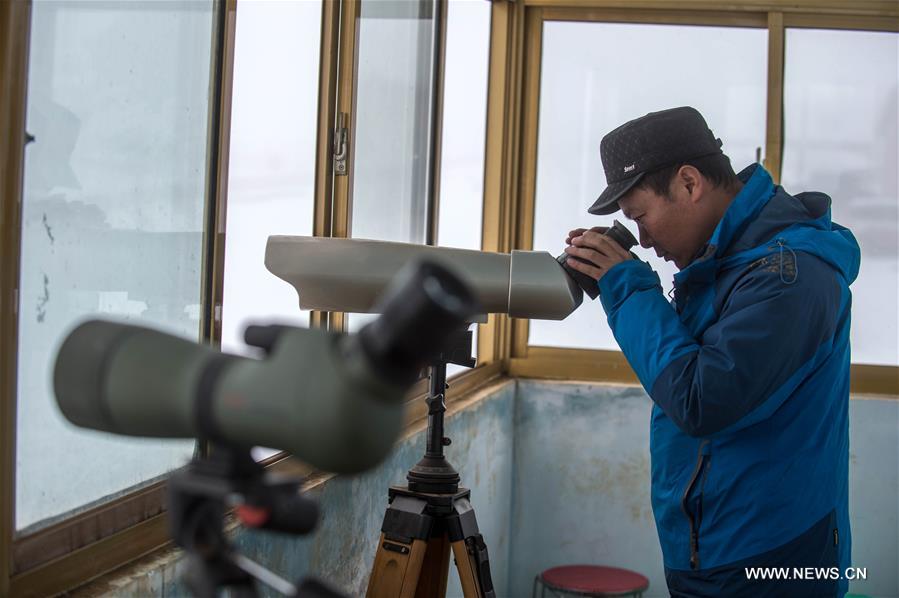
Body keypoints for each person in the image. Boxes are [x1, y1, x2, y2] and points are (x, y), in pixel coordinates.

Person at [563, 106, 860, 597]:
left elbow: (702, 399)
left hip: (768, 562)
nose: (643, 238)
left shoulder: (788, 276)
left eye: (640, 216)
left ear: (688, 183)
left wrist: (629, 288)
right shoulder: (724, 264)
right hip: (716, 549)